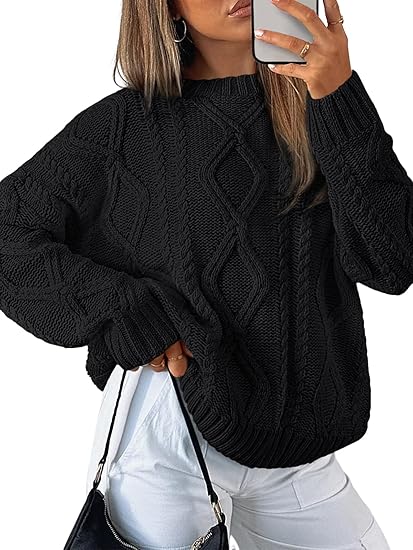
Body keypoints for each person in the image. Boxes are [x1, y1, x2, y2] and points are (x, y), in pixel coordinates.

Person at [1, 0, 410, 547]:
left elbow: (393, 262)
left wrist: (338, 94)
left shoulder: (321, 110)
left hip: (302, 448)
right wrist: (125, 311)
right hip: (171, 429)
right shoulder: (124, 126)